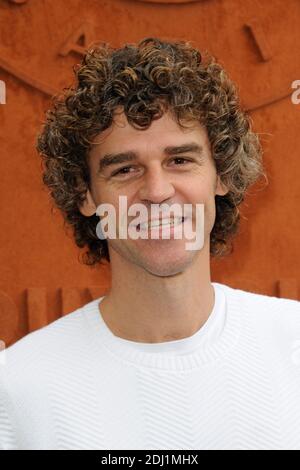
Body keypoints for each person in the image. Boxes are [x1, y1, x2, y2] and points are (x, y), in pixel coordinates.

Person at [1, 37, 299, 450]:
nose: (157, 191)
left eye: (180, 160)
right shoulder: (17, 390)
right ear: (85, 195)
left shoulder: (294, 346)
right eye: (125, 169)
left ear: (221, 175)